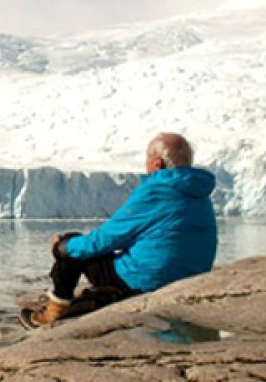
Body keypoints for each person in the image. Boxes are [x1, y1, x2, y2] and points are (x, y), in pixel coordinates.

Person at [29, 132, 218, 326]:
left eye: (147, 159)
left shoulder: (155, 191)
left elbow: (106, 239)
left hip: (147, 282)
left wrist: (62, 247)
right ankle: (99, 297)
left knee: (73, 246)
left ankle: (56, 311)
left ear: (157, 164)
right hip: (189, 279)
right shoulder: (199, 193)